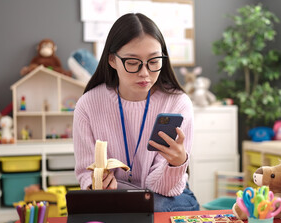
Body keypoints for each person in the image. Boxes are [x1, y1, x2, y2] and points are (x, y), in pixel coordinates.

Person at [73, 13, 199, 212]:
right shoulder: (88, 104)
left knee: (148, 210)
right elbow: (85, 171)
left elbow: (163, 188)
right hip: (117, 196)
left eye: (154, 61)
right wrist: (96, 184)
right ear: (112, 60)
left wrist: (176, 164)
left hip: (168, 194)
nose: (145, 73)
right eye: (132, 62)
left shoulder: (177, 103)